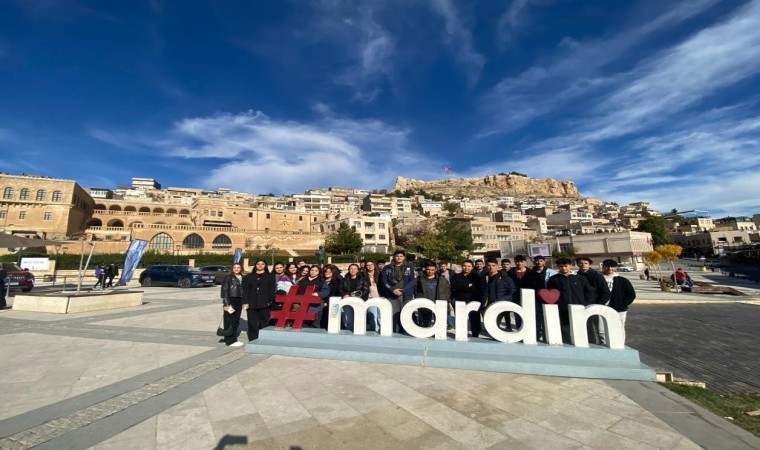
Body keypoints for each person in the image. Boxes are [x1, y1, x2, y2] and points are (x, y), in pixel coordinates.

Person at [547, 258, 595, 343]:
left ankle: (589, 346)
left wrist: (586, 304)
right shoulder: (554, 279)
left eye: (566, 266)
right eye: (561, 266)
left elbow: (590, 292)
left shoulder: (580, 278)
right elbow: (550, 294)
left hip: (580, 309)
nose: (564, 268)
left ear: (571, 266)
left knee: (584, 329)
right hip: (563, 310)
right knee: (565, 330)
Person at [506, 255, 546, 341]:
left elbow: (540, 287)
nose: (519, 263)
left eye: (521, 261)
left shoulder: (533, 273)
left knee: (533, 318)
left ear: (525, 262)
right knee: (518, 317)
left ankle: (535, 335)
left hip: (531, 300)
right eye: (517, 261)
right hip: (516, 299)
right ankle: (520, 335)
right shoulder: (509, 273)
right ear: (515, 262)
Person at [575, 257, 610, 345]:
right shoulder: (576, 277)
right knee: (586, 328)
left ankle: (604, 345)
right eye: (581, 263)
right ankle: (591, 344)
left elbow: (605, 292)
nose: (583, 265)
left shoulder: (597, 276)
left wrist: (598, 304)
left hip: (596, 306)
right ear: (578, 264)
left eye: (585, 263)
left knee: (600, 329)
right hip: (582, 306)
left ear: (589, 264)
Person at [380, 250, 416, 333]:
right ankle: (393, 332)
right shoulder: (387, 268)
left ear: (404, 257)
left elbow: (413, 281)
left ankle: (405, 332)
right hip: (392, 295)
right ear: (394, 257)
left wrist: (403, 290)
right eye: (397, 256)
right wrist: (393, 290)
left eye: (401, 256)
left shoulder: (409, 267)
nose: (399, 258)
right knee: (393, 315)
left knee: (405, 315)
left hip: (406, 295)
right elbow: (384, 281)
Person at [601, 259, 636, 344]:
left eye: (612, 266)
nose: (609, 268)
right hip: (601, 308)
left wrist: (622, 304)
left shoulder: (622, 280)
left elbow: (631, 294)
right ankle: (604, 345)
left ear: (615, 268)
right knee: (602, 329)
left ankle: (620, 344)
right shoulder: (598, 279)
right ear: (603, 267)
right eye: (607, 266)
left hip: (619, 310)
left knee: (619, 328)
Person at [242, 260, 276, 341]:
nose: (260, 266)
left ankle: (263, 338)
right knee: (252, 321)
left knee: (264, 321)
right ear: (255, 265)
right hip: (251, 303)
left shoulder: (270, 276)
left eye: (262, 264)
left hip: (264, 303)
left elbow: (272, 290)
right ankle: (253, 338)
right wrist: (244, 302)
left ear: (265, 265)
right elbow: (245, 290)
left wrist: (270, 300)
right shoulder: (248, 277)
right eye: (258, 264)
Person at [450, 260, 484, 337]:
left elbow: (476, 288)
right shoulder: (456, 276)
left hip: (473, 300)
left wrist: (462, 286)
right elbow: (454, 287)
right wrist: (467, 286)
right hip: (460, 300)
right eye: (465, 266)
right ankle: (461, 335)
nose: (466, 268)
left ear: (472, 267)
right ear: (462, 266)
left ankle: (475, 335)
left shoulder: (476, 277)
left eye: (469, 266)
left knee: (474, 319)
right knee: (460, 319)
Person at [483, 257, 517, 331]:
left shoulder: (505, 278)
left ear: (497, 266)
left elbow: (512, 291)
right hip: (487, 304)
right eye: (489, 265)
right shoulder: (483, 277)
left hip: (500, 304)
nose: (491, 267)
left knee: (496, 326)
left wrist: (502, 300)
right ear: (486, 266)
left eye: (493, 265)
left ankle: (508, 329)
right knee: (490, 326)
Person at [414, 260, 451, 327]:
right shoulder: (420, 279)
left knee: (438, 323)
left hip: (437, 301)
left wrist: (446, 300)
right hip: (425, 302)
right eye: (428, 269)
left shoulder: (442, 279)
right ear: (425, 269)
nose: (430, 271)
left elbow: (447, 291)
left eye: (432, 270)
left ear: (436, 269)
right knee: (425, 323)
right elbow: (416, 289)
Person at [220, 263, 244, 347]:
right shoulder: (228, 277)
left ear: (241, 268)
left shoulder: (242, 277)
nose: (236, 269)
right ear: (232, 269)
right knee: (230, 321)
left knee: (236, 320)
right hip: (230, 300)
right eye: (235, 267)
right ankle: (231, 341)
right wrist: (226, 303)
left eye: (238, 267)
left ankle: (227, 338)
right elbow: (225, 290)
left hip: (239, 300)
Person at [340, 263, 370, 330]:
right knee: (348, 320)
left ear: (357, 270)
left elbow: (366, 290)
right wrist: (344, 294)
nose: (353, 270)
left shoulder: (363, 279)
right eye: (351, 269)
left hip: (359, 302)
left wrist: (357, 294)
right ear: (348, 270)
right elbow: (340, 289)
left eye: (355, 269)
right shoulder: (344, 280)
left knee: (359, 320)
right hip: (348, 302)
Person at [316, 265, 342, 329]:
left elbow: (337, 294)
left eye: (329, 272)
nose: (327, 273)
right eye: (325, 271)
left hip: (331, 305)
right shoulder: (320, 282)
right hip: (320, 304)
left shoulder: (336, 283)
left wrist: (327, 302)